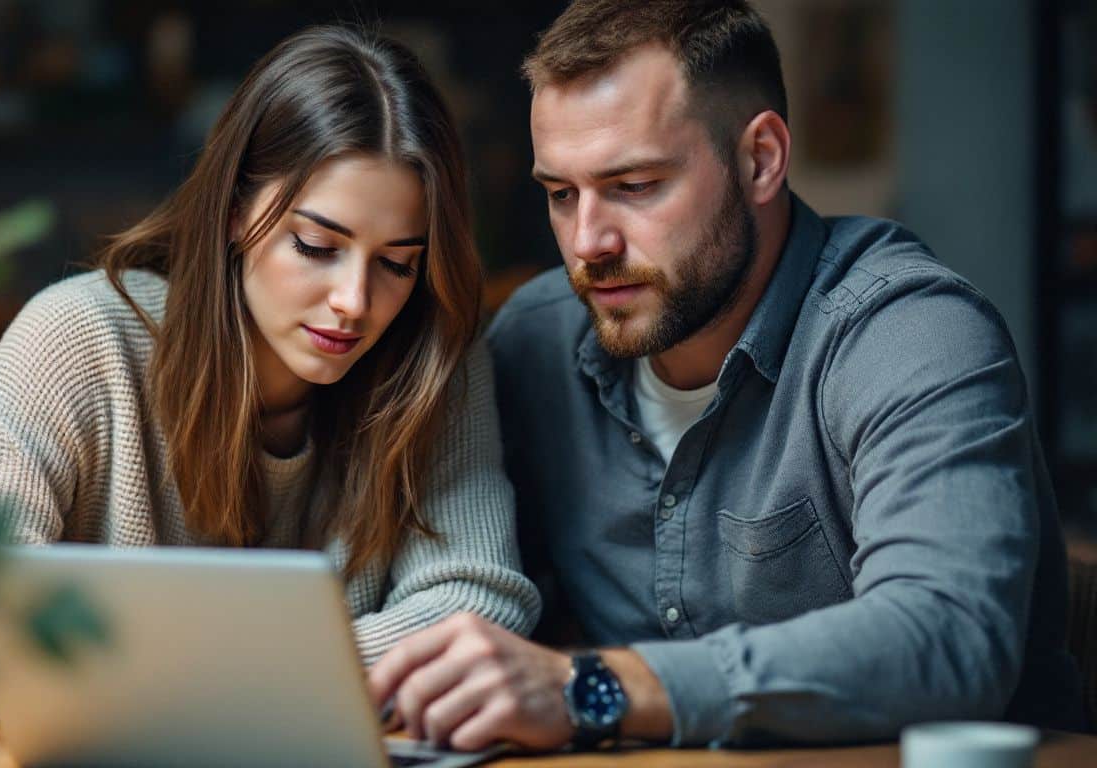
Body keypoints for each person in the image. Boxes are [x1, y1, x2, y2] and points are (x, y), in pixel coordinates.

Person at [368, 0, 1086, 751]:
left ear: (761, 160)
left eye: (635, 185)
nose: (588, 243)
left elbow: (949, 638)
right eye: (561, 194)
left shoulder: (912, 334)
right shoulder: (533, 344)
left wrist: (593, 687)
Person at [0, 25, 540, 725]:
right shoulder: (78, 341)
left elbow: (476, 607)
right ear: (233, 213)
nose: (355, 301)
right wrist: (280, 677)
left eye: (397, 263)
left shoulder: (433, 355)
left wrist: (161, 678)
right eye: (317, 246)